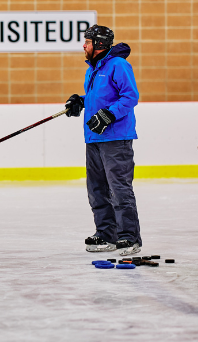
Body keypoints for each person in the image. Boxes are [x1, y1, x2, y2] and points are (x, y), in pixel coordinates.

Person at [64, 25, 142, 256]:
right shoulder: (94, 69)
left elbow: (130, 97)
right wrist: (81, 100)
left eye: (87, 42)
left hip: (116, 139)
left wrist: (109, 114)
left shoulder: (118, 65)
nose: (83, 46)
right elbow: (99, 98)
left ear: (98, 44)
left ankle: (129, 237)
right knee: (97, 189)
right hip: (94, 138)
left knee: (119, 189)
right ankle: (107, 234)